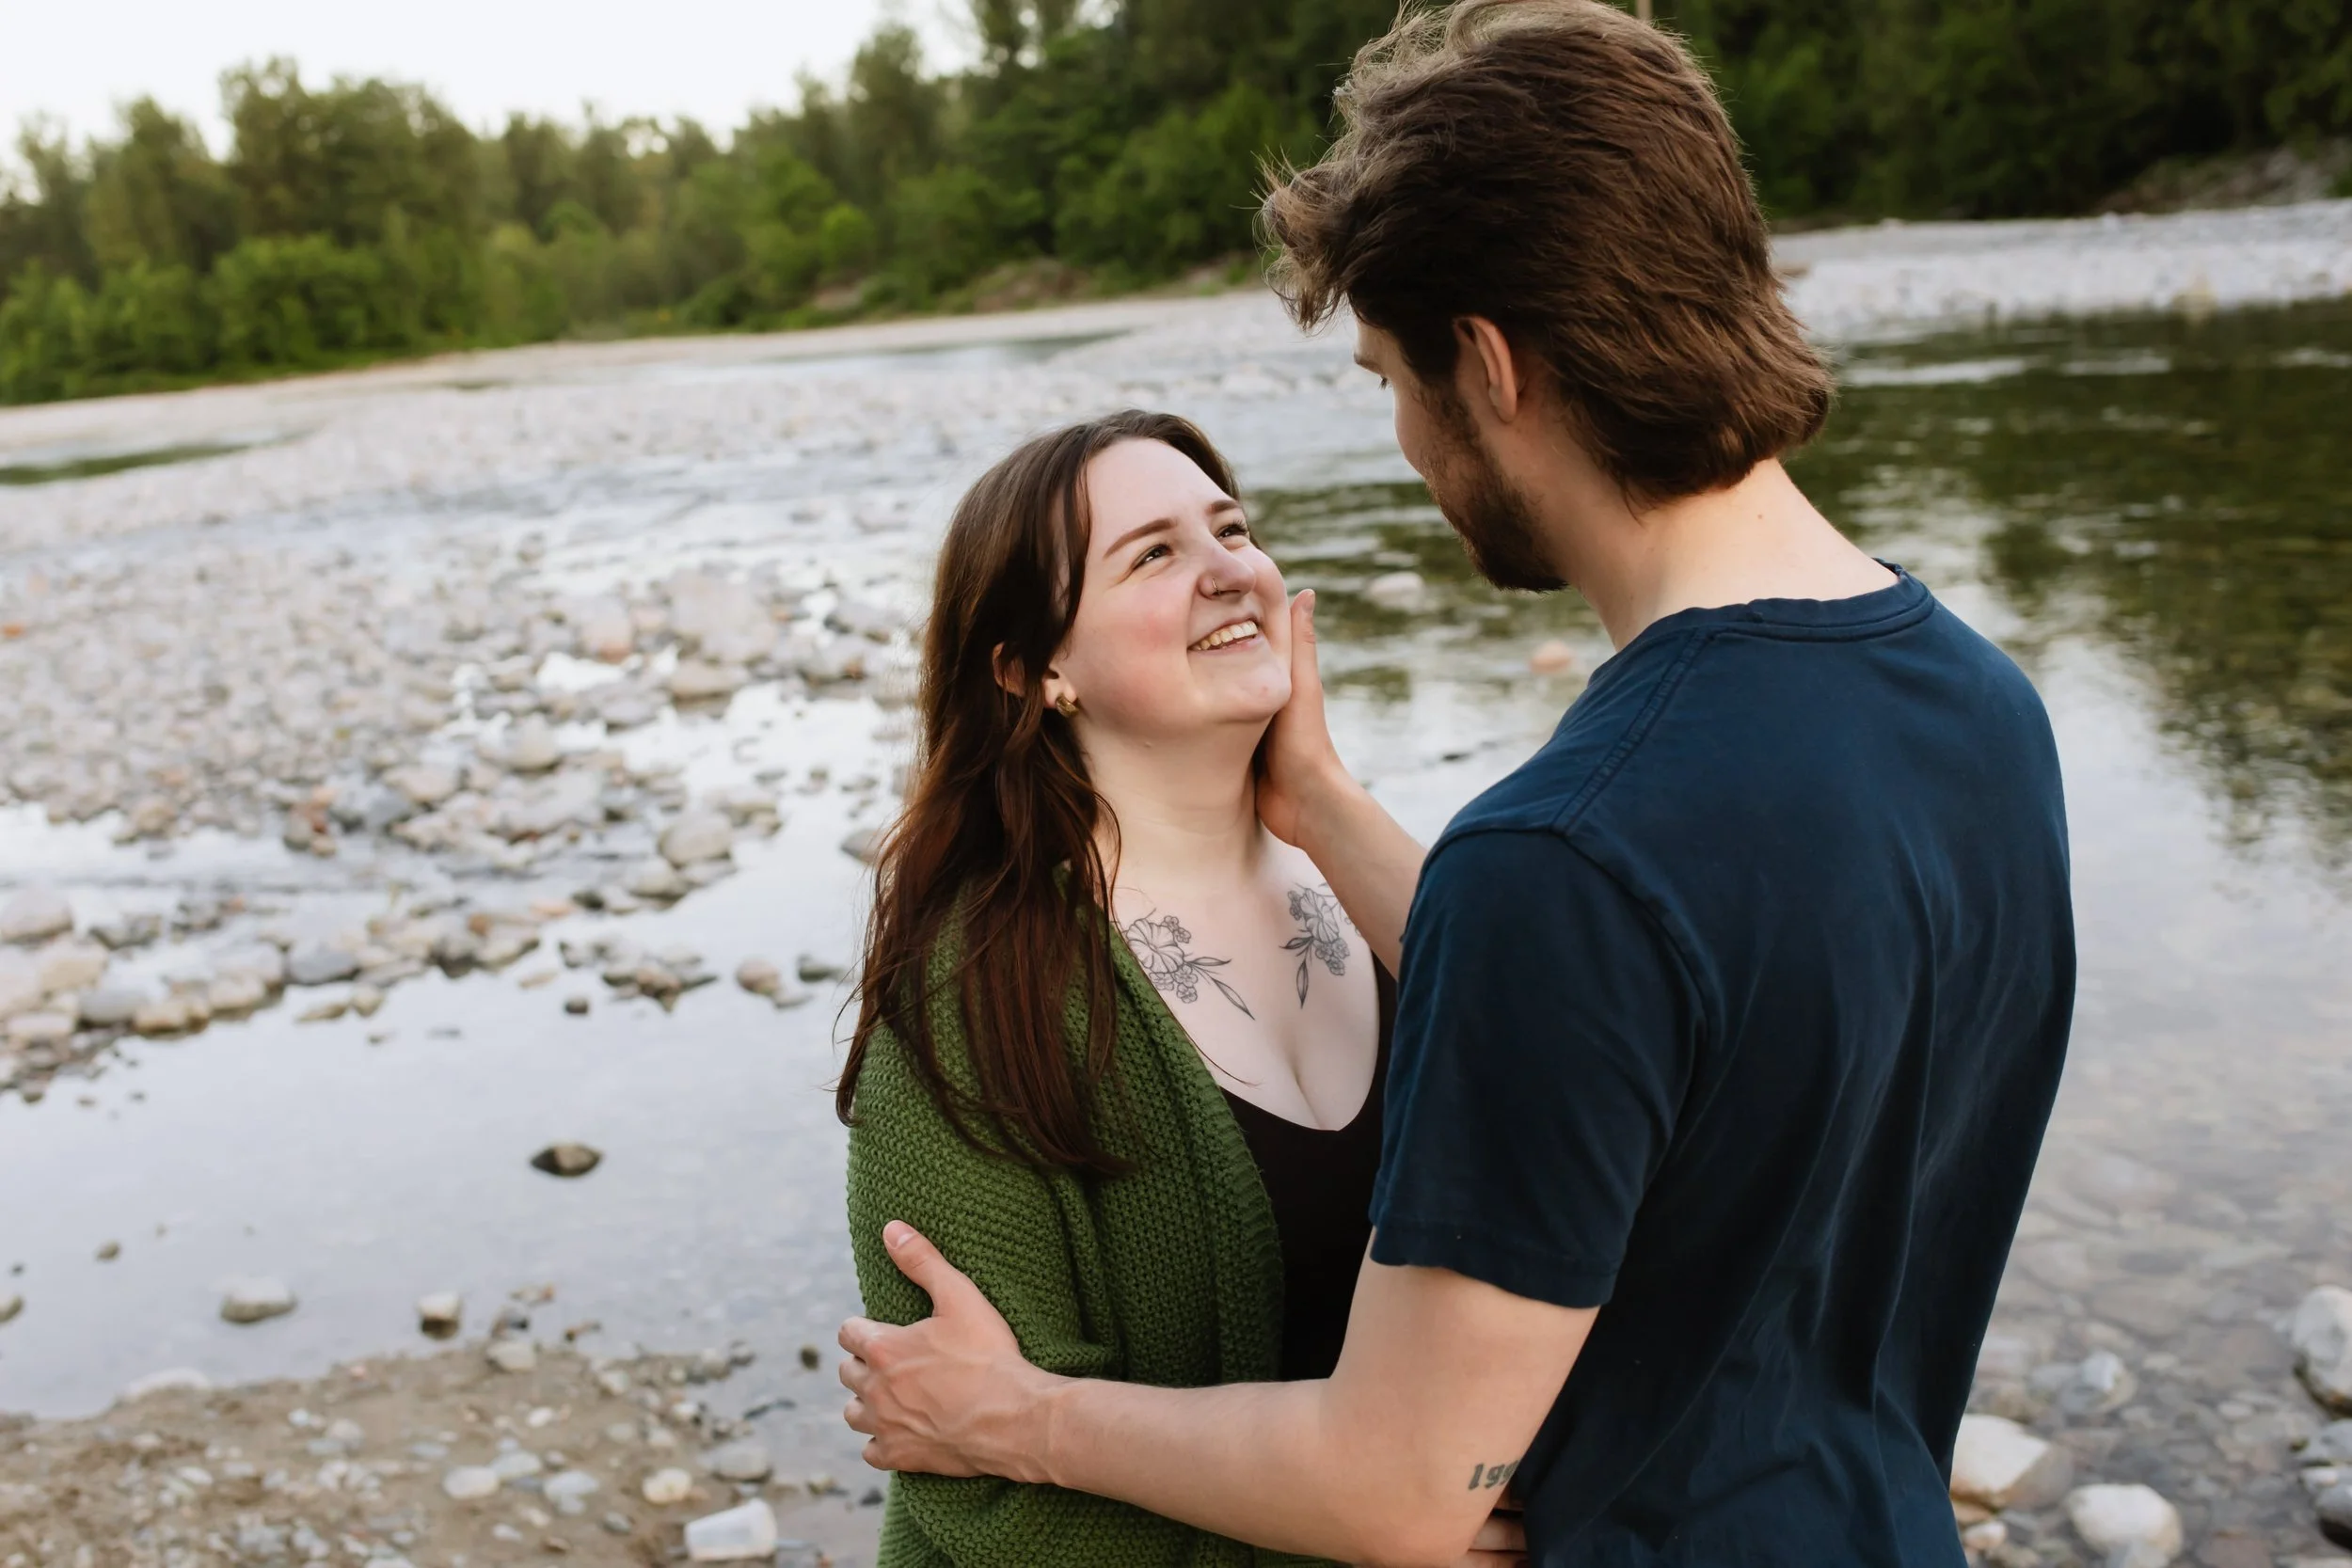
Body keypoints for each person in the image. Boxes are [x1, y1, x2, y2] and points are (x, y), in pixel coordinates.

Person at [835, 3, 2076, 1567]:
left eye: (1390, 381)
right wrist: (1328, 811)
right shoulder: (1983, 706)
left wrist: (1019, 1415)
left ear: (1489, 368)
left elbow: (1394, 1492)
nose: (1409, 447)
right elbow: (1666, 1031)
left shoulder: (1567, 854)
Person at [839, 408, 1406, 1567]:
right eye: (1153, 553)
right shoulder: (976, 993)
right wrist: (1378, 1529)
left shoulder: (1383, 883)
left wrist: (1328, 797)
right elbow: (979, 1483)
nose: (1228, 570)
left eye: (1231, 527)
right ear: (1035, 668)